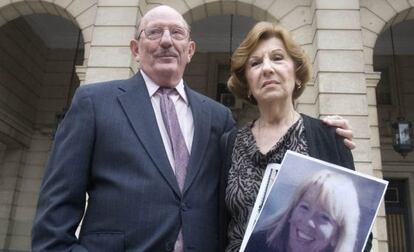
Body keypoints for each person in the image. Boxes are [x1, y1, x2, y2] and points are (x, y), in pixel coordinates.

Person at [32, 5, 354, 252]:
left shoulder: (218, 118)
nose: (166, 41)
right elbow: (55, 213)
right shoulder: (94, 102)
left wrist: (329, 134)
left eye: (177, 33)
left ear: (190, 50)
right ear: (135, 48)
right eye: (154, 32)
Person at [219, 22, 372, 252]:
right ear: (247, 83)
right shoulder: (230, 143)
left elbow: (359, 237)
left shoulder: (328, 136)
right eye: (256, 63)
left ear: (297, 74)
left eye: (278, 58)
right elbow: (219, 226)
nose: (267, 68)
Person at [245, 170, 360, 252]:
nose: (308, 221)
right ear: (291, 212)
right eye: (305, 207)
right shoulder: (254, 244)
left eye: (324, 217)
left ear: (337, 235)